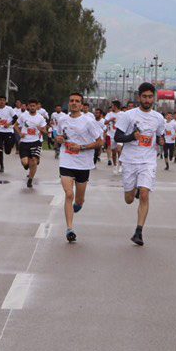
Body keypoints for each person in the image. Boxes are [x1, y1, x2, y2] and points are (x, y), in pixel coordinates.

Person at [112, 82, 167, 246]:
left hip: (148, 161)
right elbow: (117, 137)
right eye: (144, 96)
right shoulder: (128, 116)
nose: (147, 100)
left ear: (153, 98)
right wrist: (131, 137)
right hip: (130, 161)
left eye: (150, 97)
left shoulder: (158, 118)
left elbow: (159, 136)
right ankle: (133, 190)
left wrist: (161, 140)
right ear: (139, 97)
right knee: (129, 199)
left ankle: (139, 232)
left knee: (144, 194)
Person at [57, 92, 106, 243]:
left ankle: (78, 204)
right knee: (68, 194)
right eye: (71, 101)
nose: (74, 103)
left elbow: (100, 142)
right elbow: (59, 137)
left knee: (78, 199)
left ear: (81, 105)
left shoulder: (88, 122)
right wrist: (58, 140)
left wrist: (82, 147)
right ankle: (69, 229)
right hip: (66, 161)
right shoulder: (62, 119)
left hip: (83, 163)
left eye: (77, 101)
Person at [15, 98, 49, 188]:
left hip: (35, 142)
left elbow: (45, 131)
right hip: (24, 142)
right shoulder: (23, 116)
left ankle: (30, 179)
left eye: (34, 106)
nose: (32, 107)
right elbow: (15, 126)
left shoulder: (40, 118)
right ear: (28, 106)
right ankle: (27, 165)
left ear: (36, 107)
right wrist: (20, 133)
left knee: (33, 161)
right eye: (31, 106)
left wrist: (41, 129)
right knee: (24, 162)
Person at [0, 94, 16, 174]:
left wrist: (9, 124)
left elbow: (15, 118)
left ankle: (7, 146)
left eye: (3, 100)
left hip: (8, 131)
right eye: (0, 100)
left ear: (5, 101)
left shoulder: (9, 109)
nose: (2, 102)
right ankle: (1, 166)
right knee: (0, 149)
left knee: (8, 151)